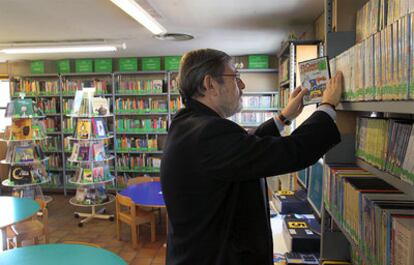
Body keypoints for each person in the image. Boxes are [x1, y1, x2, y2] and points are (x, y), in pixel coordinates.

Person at [161, 48, 342, 265]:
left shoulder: (190, 124)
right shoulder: (209, 134)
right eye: (236, 77)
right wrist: (327, 107)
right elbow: (293, 152)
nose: (243, 86)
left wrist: (283, 118)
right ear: (210, 84)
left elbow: (242, 150)